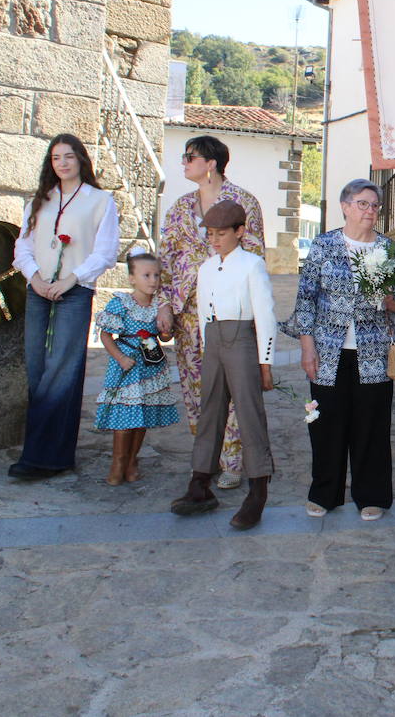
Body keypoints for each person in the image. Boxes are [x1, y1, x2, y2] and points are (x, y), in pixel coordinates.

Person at [282, 180, 395, 522]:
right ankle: (324, 492)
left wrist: (388, 299)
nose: (369, 211)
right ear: (345, 206)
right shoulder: (324, 245)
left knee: (372, 425)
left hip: (374, 352)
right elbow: (306, 299)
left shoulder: (388, 249)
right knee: (325, 423)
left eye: (374, 206)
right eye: (362, 204)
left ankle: (372, 495)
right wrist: (307, 348)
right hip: (328, 350)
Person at [157, 135, 265, 491]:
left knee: (234, 387)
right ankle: (208, 457)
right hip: (189, 313)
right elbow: (165, 260)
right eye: (184, 156)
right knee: (197, 388)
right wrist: (164, 304)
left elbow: (255, 257)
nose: (184, 162)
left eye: (191, 157)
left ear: (212, 163)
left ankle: (233, 460)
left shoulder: (244, 203)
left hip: (231, 314)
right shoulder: (179, 207)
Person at [9, 134, 121, 479]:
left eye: (69, 156)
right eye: (56, 158)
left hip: (75, 290)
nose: (62, 163)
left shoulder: (100, 201)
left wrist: (71, 279)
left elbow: (105, 252)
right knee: (37, 366)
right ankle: (52, 454)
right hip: (38, 289)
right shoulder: (40, 201)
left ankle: (41, 457)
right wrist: (37, 279)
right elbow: (22, 248)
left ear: (81, 160)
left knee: (63, 370)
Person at [170, 201, 276, 530]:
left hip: (241, 338)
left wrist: (265, 362)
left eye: (221, 234)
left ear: (239, 232)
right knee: (210, 413)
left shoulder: (251, 265)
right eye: (211, 234)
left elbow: (265, 315)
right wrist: (204, 350)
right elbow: (204, 313)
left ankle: (258, 491)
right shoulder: (205, 267)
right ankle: (199, 483)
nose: (214, 240)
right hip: (213, 341)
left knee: (248, 414)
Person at [93, 248, 180, 485]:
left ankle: (132, 459)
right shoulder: (121, 303)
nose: (153, 281)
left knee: (142, 416)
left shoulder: (159, 306)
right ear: (132, 278)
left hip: (149, 367)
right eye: (146, 275)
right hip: (126, 368)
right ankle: (118, 461)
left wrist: (165, 331)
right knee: (124, 416)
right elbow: (106, 335)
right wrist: (120, 358)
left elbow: (162, 338)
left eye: (156, 276)